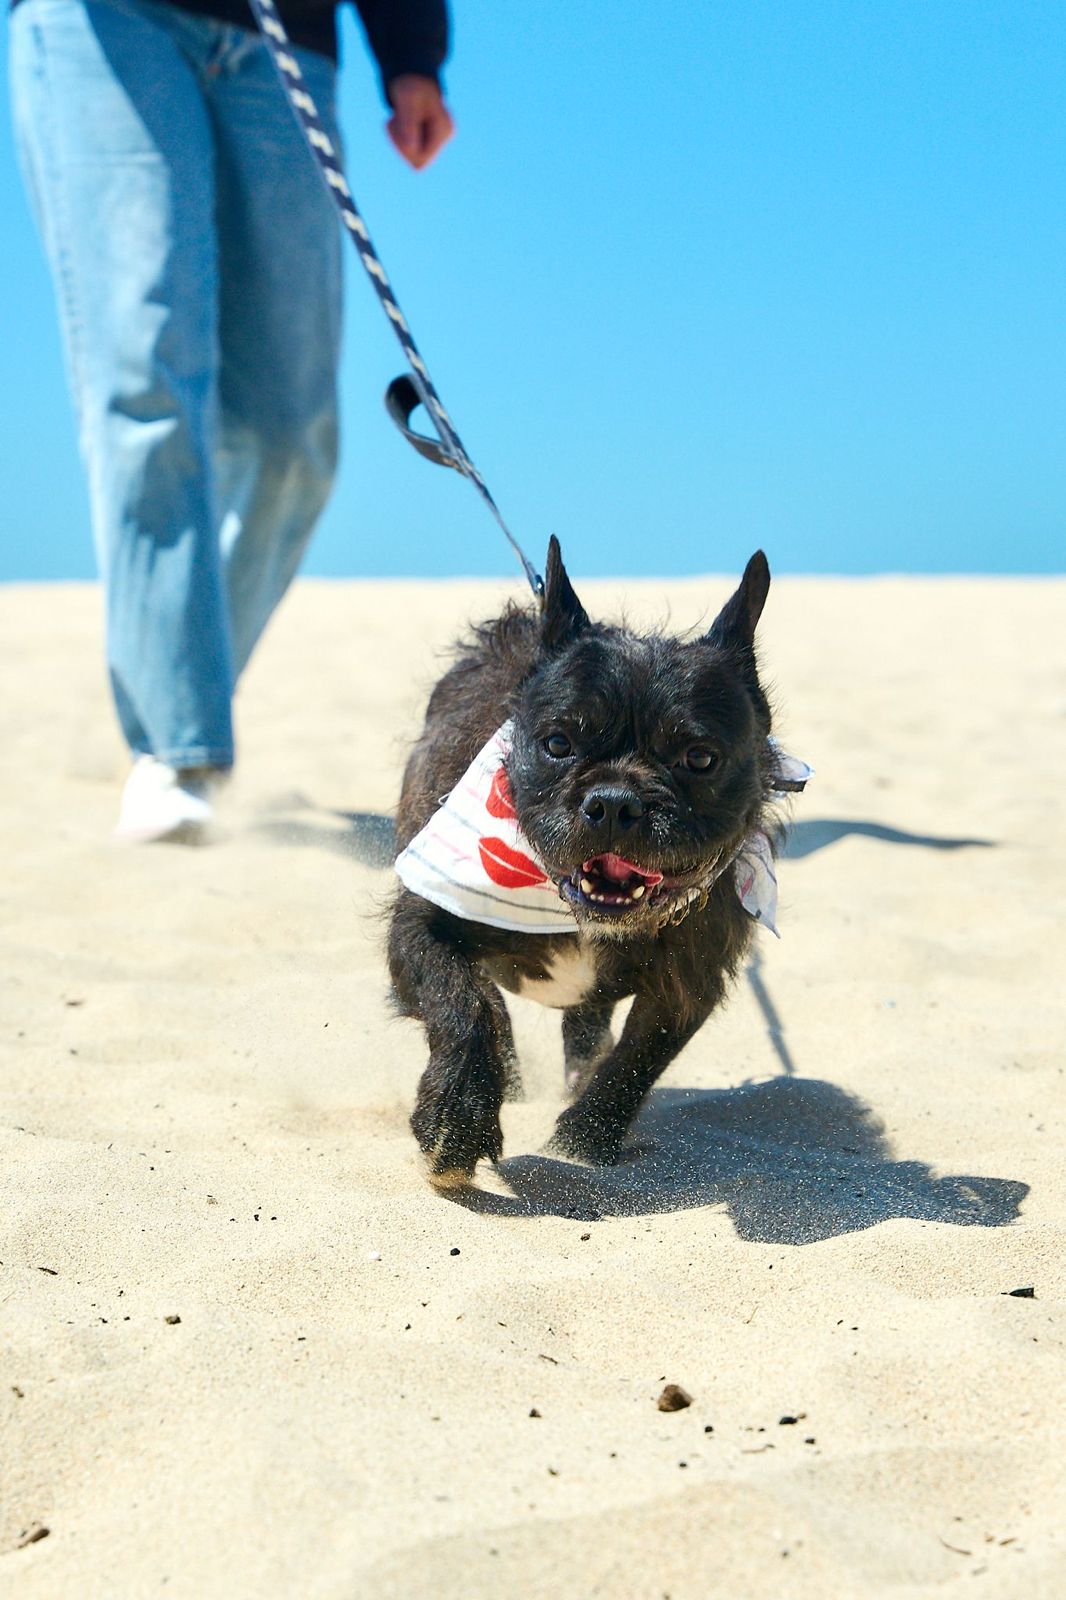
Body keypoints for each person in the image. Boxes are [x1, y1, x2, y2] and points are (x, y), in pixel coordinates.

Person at [8, 0, 453, 841]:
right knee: (148, 372)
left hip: (286, 43)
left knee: (294, 440)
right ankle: (179, 747)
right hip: (107, 25)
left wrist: (412, 52)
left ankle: (177, 678)